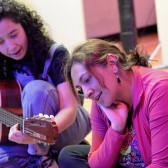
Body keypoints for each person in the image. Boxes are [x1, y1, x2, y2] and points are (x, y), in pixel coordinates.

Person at [0, 0, 91, 167]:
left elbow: (69, 109)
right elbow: (8, 114)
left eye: (14, 35)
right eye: (0, 42)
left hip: (69, 124)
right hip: (28, 135)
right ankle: (51, 156)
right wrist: (19, 131)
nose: (11, 46)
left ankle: (42, 157)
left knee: (36, 90)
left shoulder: (55, 53)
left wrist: (36, 135)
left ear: (26, 26)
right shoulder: (3, 62)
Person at [59, 38, 168, 168]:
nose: (87, 93)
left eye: (87, 79)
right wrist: (116, 128)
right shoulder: (100, 98)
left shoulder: (158, 89)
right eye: (80, 88)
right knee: (69, 156)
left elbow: (161, 165)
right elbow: (96, 164)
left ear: (112, 63)